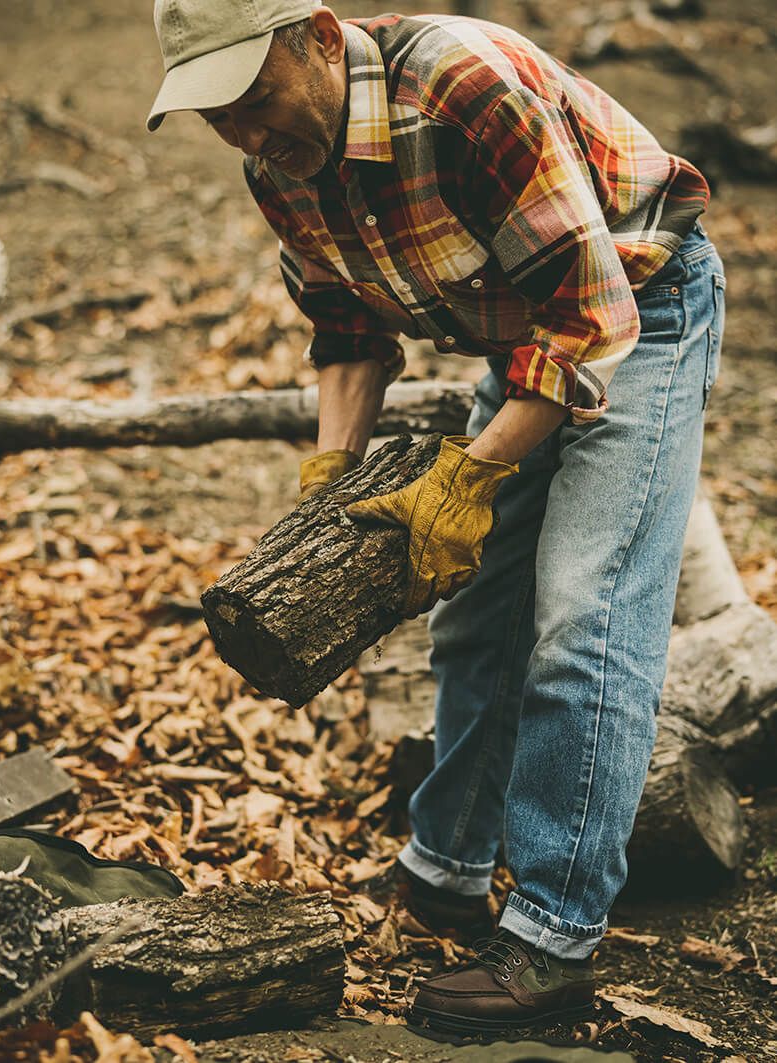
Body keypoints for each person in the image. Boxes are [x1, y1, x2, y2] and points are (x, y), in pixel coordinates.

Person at [147, 0, 724, 1037]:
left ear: (318, 39)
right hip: (520, 345)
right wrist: (333, 477)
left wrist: (465, 477)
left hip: (640, 311)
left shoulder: (460, 89)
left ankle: (553, 939)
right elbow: (346, 326)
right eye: (213, 116)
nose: (242, 132)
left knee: (583, 618)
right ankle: (445, 869)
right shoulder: (278, 164)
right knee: (472, 617)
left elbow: (590, 316)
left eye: (252, 98)